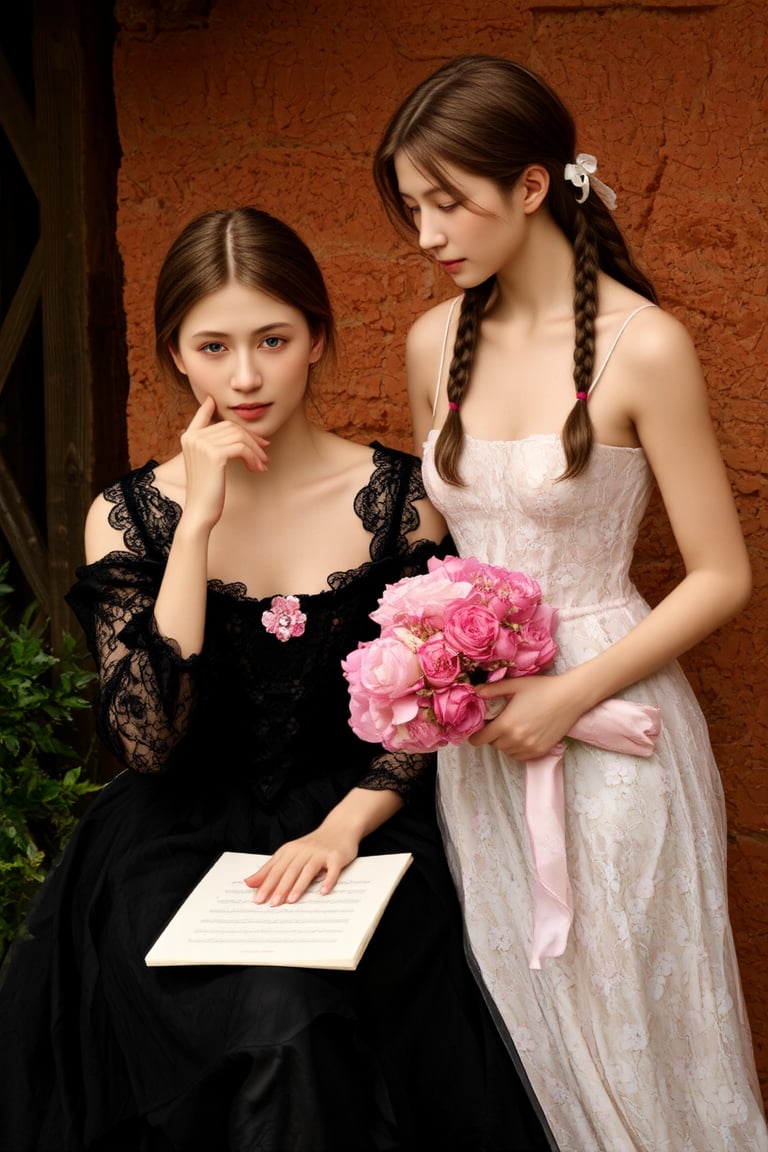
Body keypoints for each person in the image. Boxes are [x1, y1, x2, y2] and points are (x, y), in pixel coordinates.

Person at [0, 207, 556, 1152]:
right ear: (177, 355)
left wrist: (342, 827)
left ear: (318, 341)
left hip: (360, 830)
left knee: (310, 1016)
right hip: (171, 842)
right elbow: (147, 741)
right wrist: (197, 524)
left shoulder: (400, 503)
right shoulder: (127, 514)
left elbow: (426, 716)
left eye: (273, 340)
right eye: (213, 346)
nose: (245, 376)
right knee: (259, 1013)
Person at [372, 54, 768, 1152]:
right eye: (411, 208)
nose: (426, 234)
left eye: (448, 200)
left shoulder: (648, 347)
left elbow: (723, 574)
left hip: (614, 722)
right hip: (483, 742)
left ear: (536, 185)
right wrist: (428, 668)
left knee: (636, 1014)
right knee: (523, 1021)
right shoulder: (429, 344)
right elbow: (439, 553)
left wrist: (566, 696)